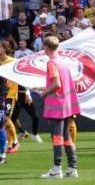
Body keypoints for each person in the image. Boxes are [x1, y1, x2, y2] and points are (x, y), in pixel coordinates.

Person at [37, 35, 80, 179]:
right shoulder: (63, 62)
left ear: (47, 48)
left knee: (57, 136)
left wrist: (43, 93)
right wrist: (45, 87)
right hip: (67, 105)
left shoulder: (52, 63)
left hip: (57, 106)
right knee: (66, 137)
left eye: (44, 47)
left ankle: (57, 169)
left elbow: (56, 85)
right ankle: (73, 168)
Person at [0, 42, 21, 155]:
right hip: (0, 95)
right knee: (4, 120)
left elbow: (19, 76)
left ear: (5, 48)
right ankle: (10, 145)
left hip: (10, 94)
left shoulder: (12, 62)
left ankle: (15, 142)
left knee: (5, 117)